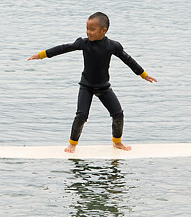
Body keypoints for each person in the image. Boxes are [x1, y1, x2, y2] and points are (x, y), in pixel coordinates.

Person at [28, 12, 157, 153]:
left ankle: (117, 142)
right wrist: (43, 55)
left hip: (103, 87)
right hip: (86, 86)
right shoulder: (83, 43)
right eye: (87, 28)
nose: (88, 32)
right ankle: (72, 144)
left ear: (104, 30)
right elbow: (64, 48)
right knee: (82, 115)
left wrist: (143, 74)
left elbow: (128, 60)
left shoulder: (113, 46)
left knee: (118, 113)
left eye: (92, 29)